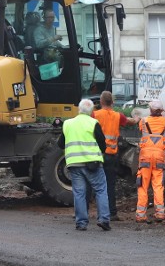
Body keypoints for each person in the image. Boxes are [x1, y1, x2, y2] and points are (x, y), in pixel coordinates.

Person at [58, 98, 112, 231]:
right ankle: (104, 219)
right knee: (100, 190)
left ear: (79, 109)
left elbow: (60, 143)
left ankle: (81, 223)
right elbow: (102, 144)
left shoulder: (68, 124)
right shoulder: (93, 123)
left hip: (74, 163)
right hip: (92, 162)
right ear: (92, 111)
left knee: (79, 193)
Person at [92, 91, 138, 221]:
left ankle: (86, 211)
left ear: (101, 102)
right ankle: (112, 213)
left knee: (93, 183)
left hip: (96, 155)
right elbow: (131, 122)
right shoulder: (118, 116)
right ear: (112, 102)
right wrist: (137, 119)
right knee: (110, 185)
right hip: (111, 156)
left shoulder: (94, 115)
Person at [135, 100, 165, 223]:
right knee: (158, 185)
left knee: (143, 185)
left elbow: (141, 128)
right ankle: (160, 213)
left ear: (150, 110)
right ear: (161, 111)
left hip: (145, 157)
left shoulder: (144, 121)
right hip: (159, 156)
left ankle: (140, 214)